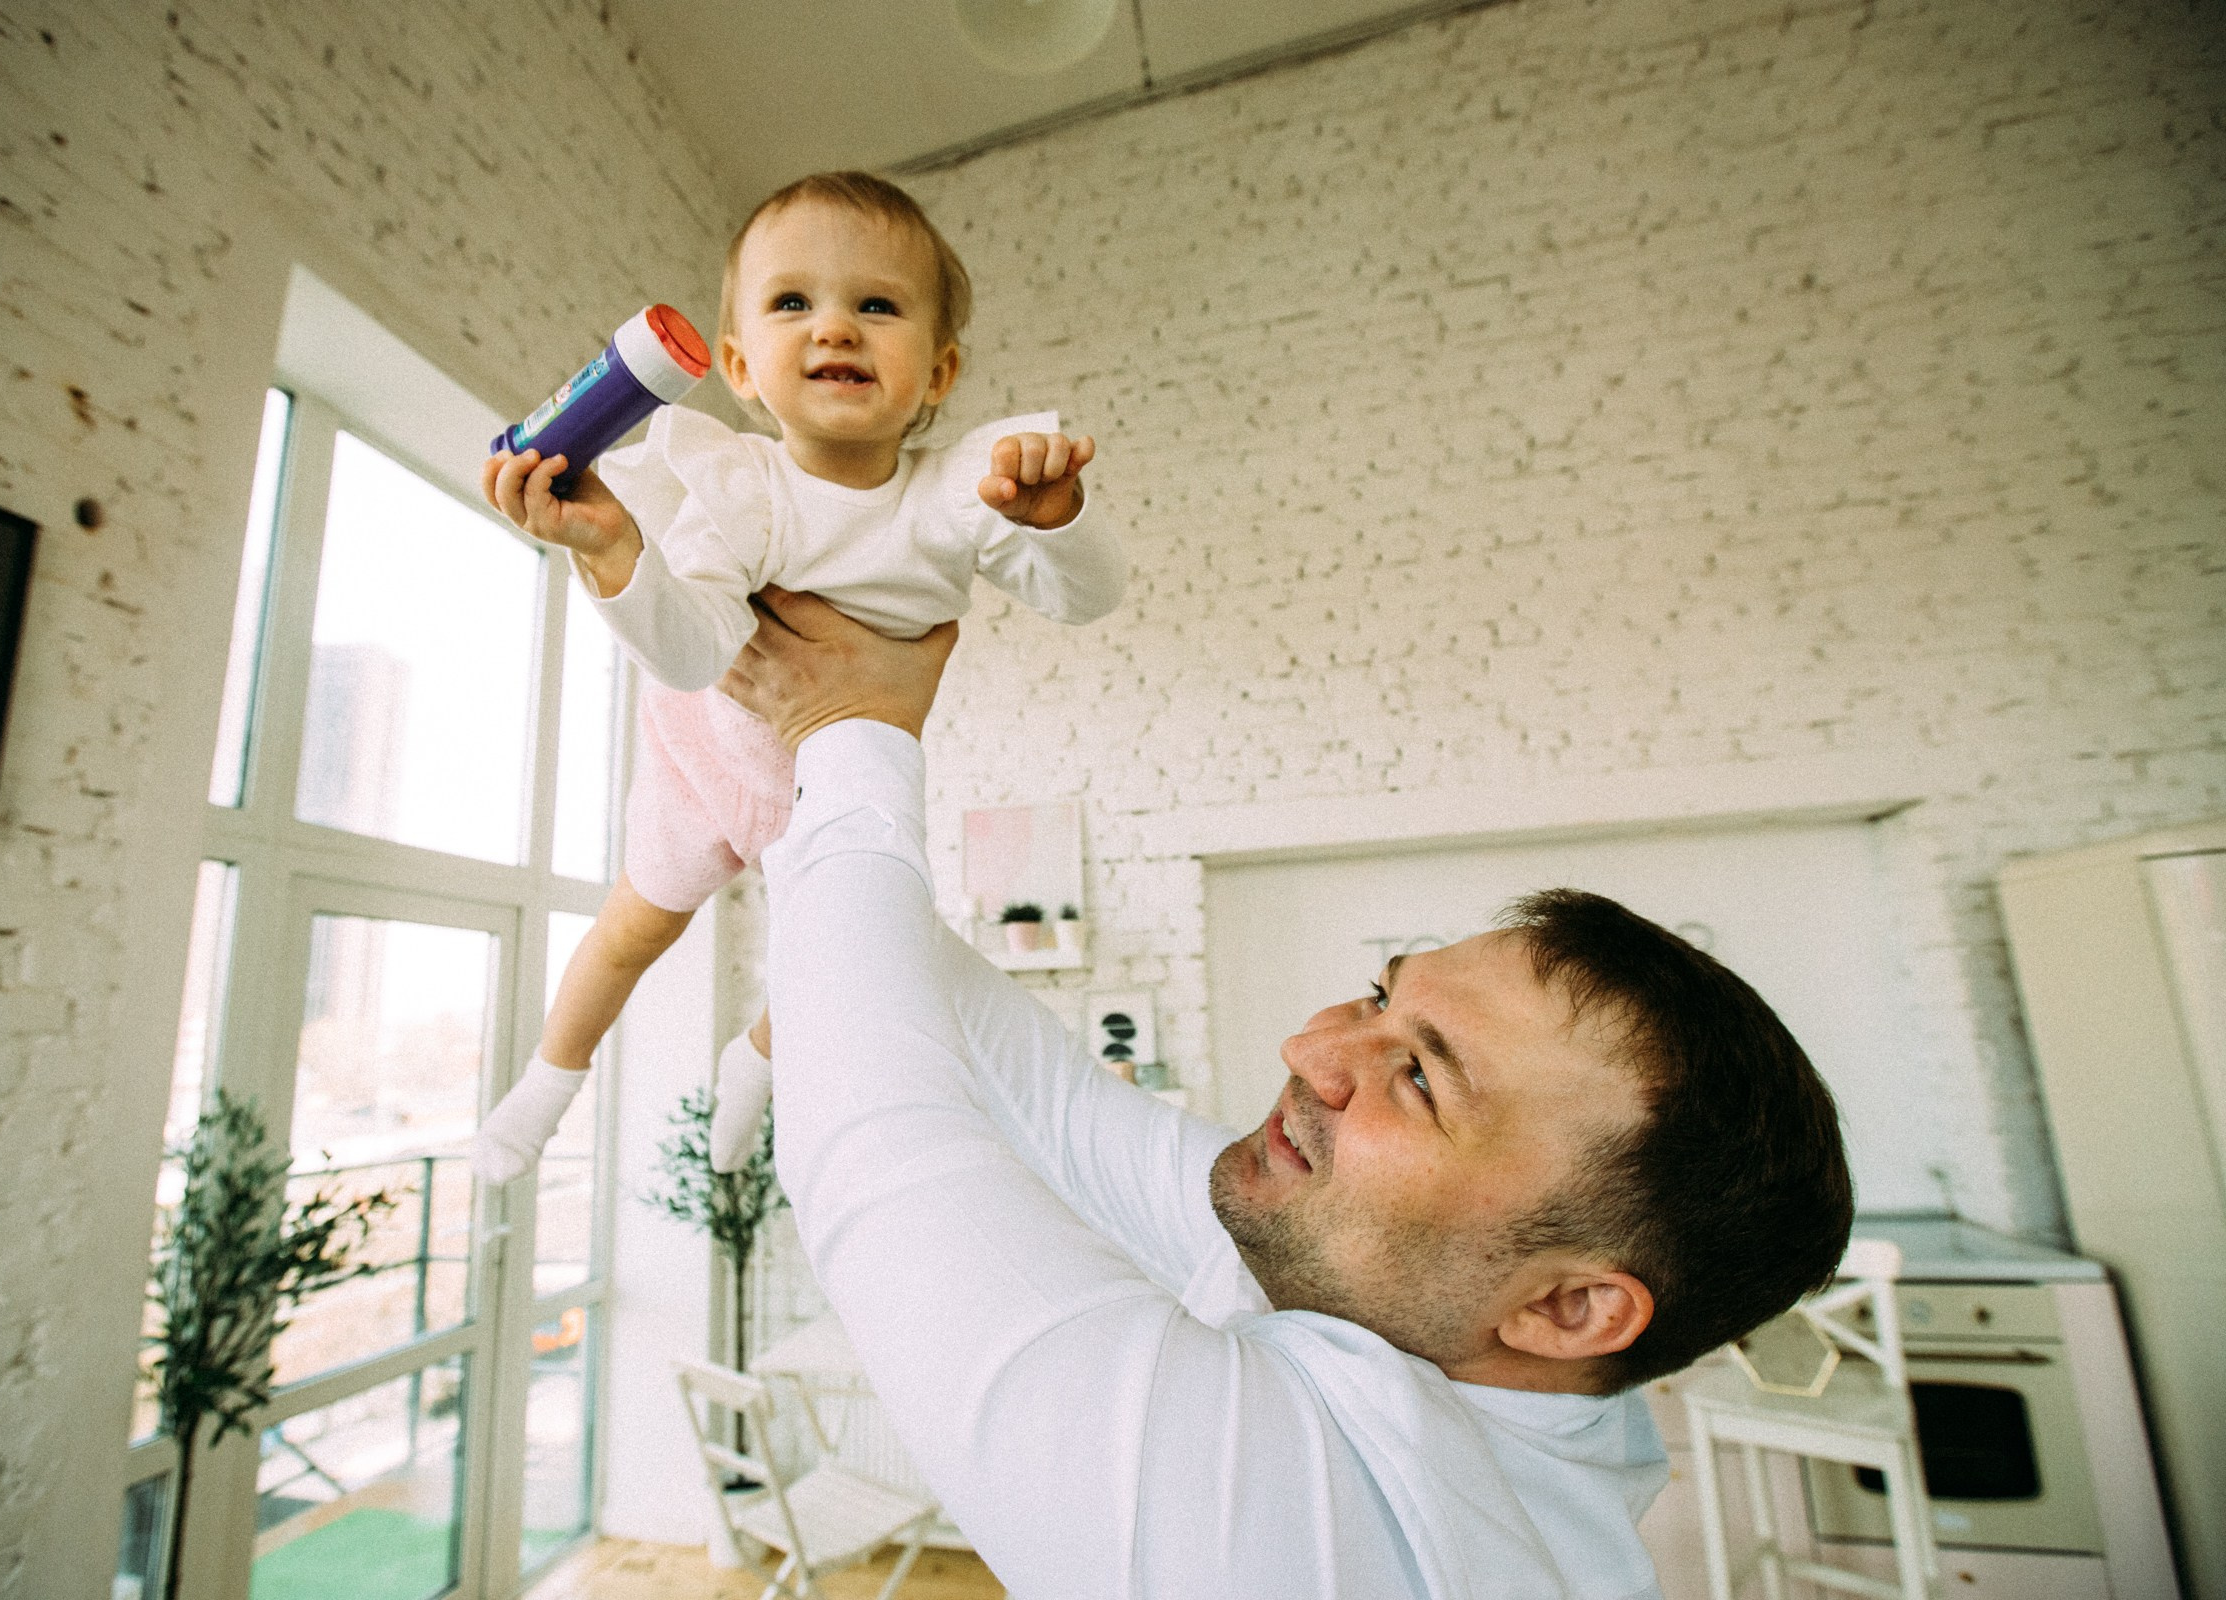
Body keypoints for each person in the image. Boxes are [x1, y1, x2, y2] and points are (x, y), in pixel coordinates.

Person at [719, 586, 1855, 1599]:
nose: (1313, 1047)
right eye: (1376, 996)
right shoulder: (1393, 1313)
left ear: (1568, 1308)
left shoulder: (1318, 1539)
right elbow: (1051, 1101)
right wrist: (802, 774)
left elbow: (880, 1156)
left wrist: (853, 733)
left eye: (1417, 1076)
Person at [470, 172, 1125, 1185]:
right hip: (702, 753)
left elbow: (1086, 600)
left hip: (824, 779)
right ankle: (550, 1080)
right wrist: (610, 552)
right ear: (737, 364)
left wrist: (1055, 522)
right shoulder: (740, 485)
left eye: (877, 303)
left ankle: (755, 1060)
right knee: (628, 931)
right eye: (792, 303)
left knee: (835, 952)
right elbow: (693, 650)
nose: (835, 329)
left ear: (940, 370)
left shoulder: (955, 491)